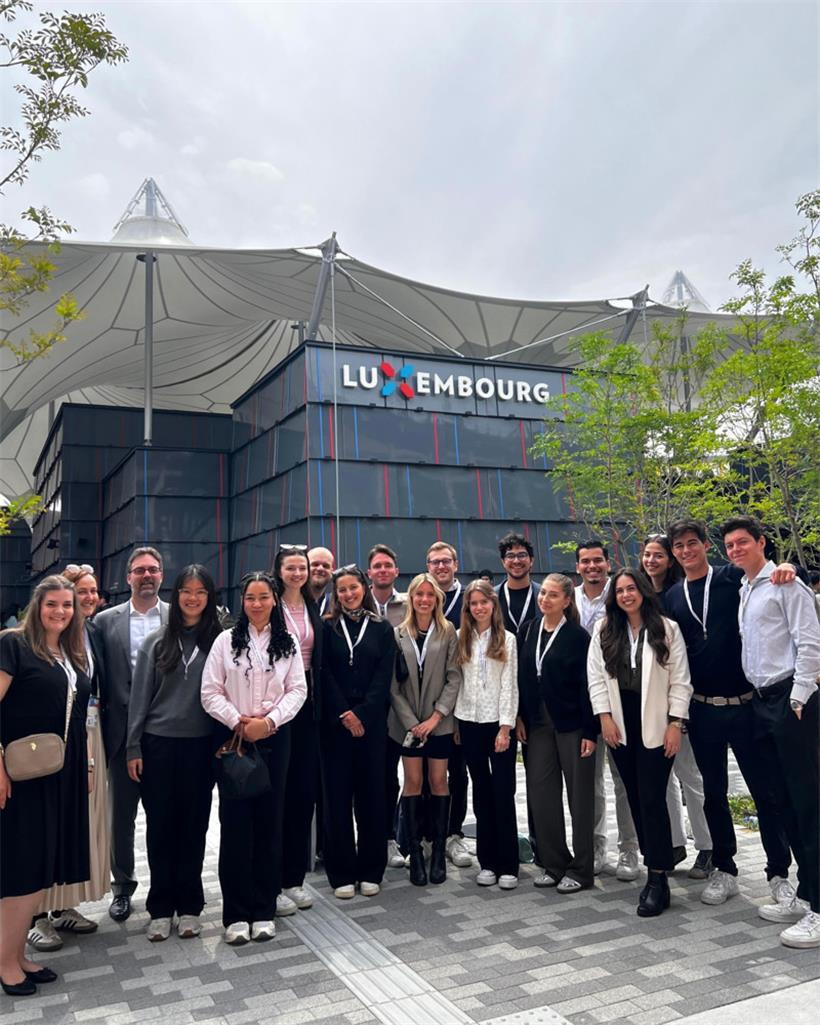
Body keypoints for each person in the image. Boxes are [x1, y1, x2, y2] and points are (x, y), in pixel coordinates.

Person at [666, 518, 795, 910]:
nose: (686, 551)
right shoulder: (671, 596)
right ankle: (725, 868)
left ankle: (778, 874)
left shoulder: (731, 579)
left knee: (765, 791)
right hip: (703, 710)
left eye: (693, 543)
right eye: (679, 547)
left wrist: (790, 568)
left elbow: (767, 574)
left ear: (706, 545)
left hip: (745, 705)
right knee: (714, 795)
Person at [721, 516, 820, 949]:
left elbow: (810, 642)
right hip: (761, 701)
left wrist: (799, 698)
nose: (736, 549)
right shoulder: (747, 588)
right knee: (782, 803)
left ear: (762, 542)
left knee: (809, 803)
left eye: (743, 542)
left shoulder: (785, 585)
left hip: (789, 701)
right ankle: (806, 893)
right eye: (729, 545)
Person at [201, 571, 306, 944]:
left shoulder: (287, 641)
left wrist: (270, 721)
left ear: (274, 600)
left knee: (270, 824)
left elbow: (297, 690)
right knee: (235, 827)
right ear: (242, 602)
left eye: (263, 597)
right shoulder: (225, 641)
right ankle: (236, 914)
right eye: (250, 598)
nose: (257, 604)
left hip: (276, 740)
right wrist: (241, 723)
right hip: (236, 741)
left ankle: (263, 909)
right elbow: (210, 692)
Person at [0, 576, 90, 997]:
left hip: (58, 771)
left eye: (67, 605)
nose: (60, 611)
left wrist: (85, 764)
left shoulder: (68, 653)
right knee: (20, 871)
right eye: (52, 603)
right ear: (37, 606)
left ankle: (16, 955)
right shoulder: (14, 645)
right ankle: (4, 964)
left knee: (38, 871)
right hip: (21, 777)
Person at [587, 569, 692, 917]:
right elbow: (596, 678)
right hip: (620, 724)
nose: (626, 595)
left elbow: (680, 681)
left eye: (632, 588)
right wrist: (604, 718)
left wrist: (676, 723)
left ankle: (658, 877)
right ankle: (655, 864)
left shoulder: (666, 628)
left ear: (643, 591)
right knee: (634, 797)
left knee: (651, 798)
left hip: (657, 723)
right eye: (620, 591)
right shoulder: (605, 629)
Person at [126, 565, 222, 941]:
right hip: (158, 744)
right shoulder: (156, 642)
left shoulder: (220, 641)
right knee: (160, 827)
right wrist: (134, 745)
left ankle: (191, 906)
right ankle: (160, 908)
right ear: (176, 593)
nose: (193, 598)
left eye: (201, 591)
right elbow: (139, 701)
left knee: (194, 826)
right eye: (186, 590)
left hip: (201, 746)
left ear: (209, 597)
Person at [28, 565, 108, 952]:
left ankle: (62, 905)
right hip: (43, 745)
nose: (86, 598)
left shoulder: (86, 635)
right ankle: (34, 916)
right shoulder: (24, 643)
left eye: (92, 592)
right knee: (43, 826)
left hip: (85, 740)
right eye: (81, 592)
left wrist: (90, 760)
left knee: (75, 823)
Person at [94, 546, 168, 922]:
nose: (147, 576)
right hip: (120, 737)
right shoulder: (105, 622)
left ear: (162, 576)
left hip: (165, 735)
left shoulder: (177, 617)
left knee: (163, 816)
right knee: (120, 818)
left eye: (153, 570)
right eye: (140, 570)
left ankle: (164, 887)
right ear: (128, 578)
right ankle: (122, 887)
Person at [320, 565, 396, 899]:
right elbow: (323, 673)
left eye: (353, 587)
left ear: (364, 587)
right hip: (336, 725)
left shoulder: (381, 628)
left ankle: (370, 868)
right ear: (335, 595)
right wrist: (344, 714)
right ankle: (341, 872)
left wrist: (363, 713)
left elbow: (385, 675)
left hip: (372, 723)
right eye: (342, 590)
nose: (348, 594)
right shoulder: (327, 628)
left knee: (372, 798)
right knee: (337, 798)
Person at [639, 535, 713, 879]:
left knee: (689, 775)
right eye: (647, 554)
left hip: (680, 703)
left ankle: (708, 846)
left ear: (671, 560)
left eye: (659, 555)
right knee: (662, 779)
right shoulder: (638, 595)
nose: (652, 560)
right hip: (647, 704)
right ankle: (673, 842)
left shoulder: (676, 596)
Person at [517, 575, 596, 892]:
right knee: (541, 794)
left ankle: (581, 870)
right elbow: (523, 677)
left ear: (566, 600)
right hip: (536, 724)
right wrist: (520, 716)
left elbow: (588, 687)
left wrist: (591, 731)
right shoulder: (529, 630)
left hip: (572, 725)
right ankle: (554, 863)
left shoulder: (578, 637)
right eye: (543, 594)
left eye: (552, 595)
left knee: (579, 798)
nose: (544, 599)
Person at [389, 573, 462, 886]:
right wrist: (413, 724)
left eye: (429, 595)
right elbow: (392, 687)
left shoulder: (448, 633)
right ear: (411, 599)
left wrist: (435, 718)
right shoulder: (397, 634)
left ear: (437, 599)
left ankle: (438, 849)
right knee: (413, 782)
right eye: (418, 595)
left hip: (440, 723)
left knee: (438, 780)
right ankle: (415, 851)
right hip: (408, 726)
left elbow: (454, 677)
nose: (424, 600)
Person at [574, 539, 637, 881]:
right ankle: (597, 845)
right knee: (590, 781)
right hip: (583, 706)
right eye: (585, 561)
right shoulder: (569, 598)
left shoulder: (623, 595)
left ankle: (629, 847)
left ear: (607, 563)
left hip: (620, 702)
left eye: (597, 560)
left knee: (624, 780)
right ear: (578, 567)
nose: (592, 566)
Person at [455, 580, 519, 889]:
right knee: (480, 792)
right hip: (469, 722)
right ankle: (488, 862)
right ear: (467, 608)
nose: (479, 607)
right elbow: (456, 684)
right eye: (473, 603)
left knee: (503, 791)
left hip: (498, 723)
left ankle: (508, 864)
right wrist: (456, 725)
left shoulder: (507, 639)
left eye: (484, 602)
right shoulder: (460, 639)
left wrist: (505, 726)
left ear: (493, 605)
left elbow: (510, 685)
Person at [271, 545, 324, 916]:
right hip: (274, 703)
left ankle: (293, 879)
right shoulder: (268, 603)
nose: (297, 573)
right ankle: (271, 882)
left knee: (303, 793)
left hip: (307, 703)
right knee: (277, 794)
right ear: (279, 571)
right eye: (290, 567)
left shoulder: (313, 607)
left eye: (301, 567)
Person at [424, 541, 471, 869]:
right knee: (425, 772)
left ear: (456, 564)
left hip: (463, 700)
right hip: (425, 705)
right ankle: (425, 832)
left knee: (457, 771)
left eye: (445, 561)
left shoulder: (469, 598)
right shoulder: (420, 599)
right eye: (434, 562)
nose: (440, 567)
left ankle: (453, 834)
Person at [494, 533, 540, 637]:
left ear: (531, 560)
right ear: (503, 562)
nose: (516, 561)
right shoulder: (491, 596)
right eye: (510, 556)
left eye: (522, 555)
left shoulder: (543, 595)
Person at [307, 547, 335, 616]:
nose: (320, 568)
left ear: (332, 572)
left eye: (326, 566)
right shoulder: (285, 602)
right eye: (315, 564)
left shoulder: (335, 606)